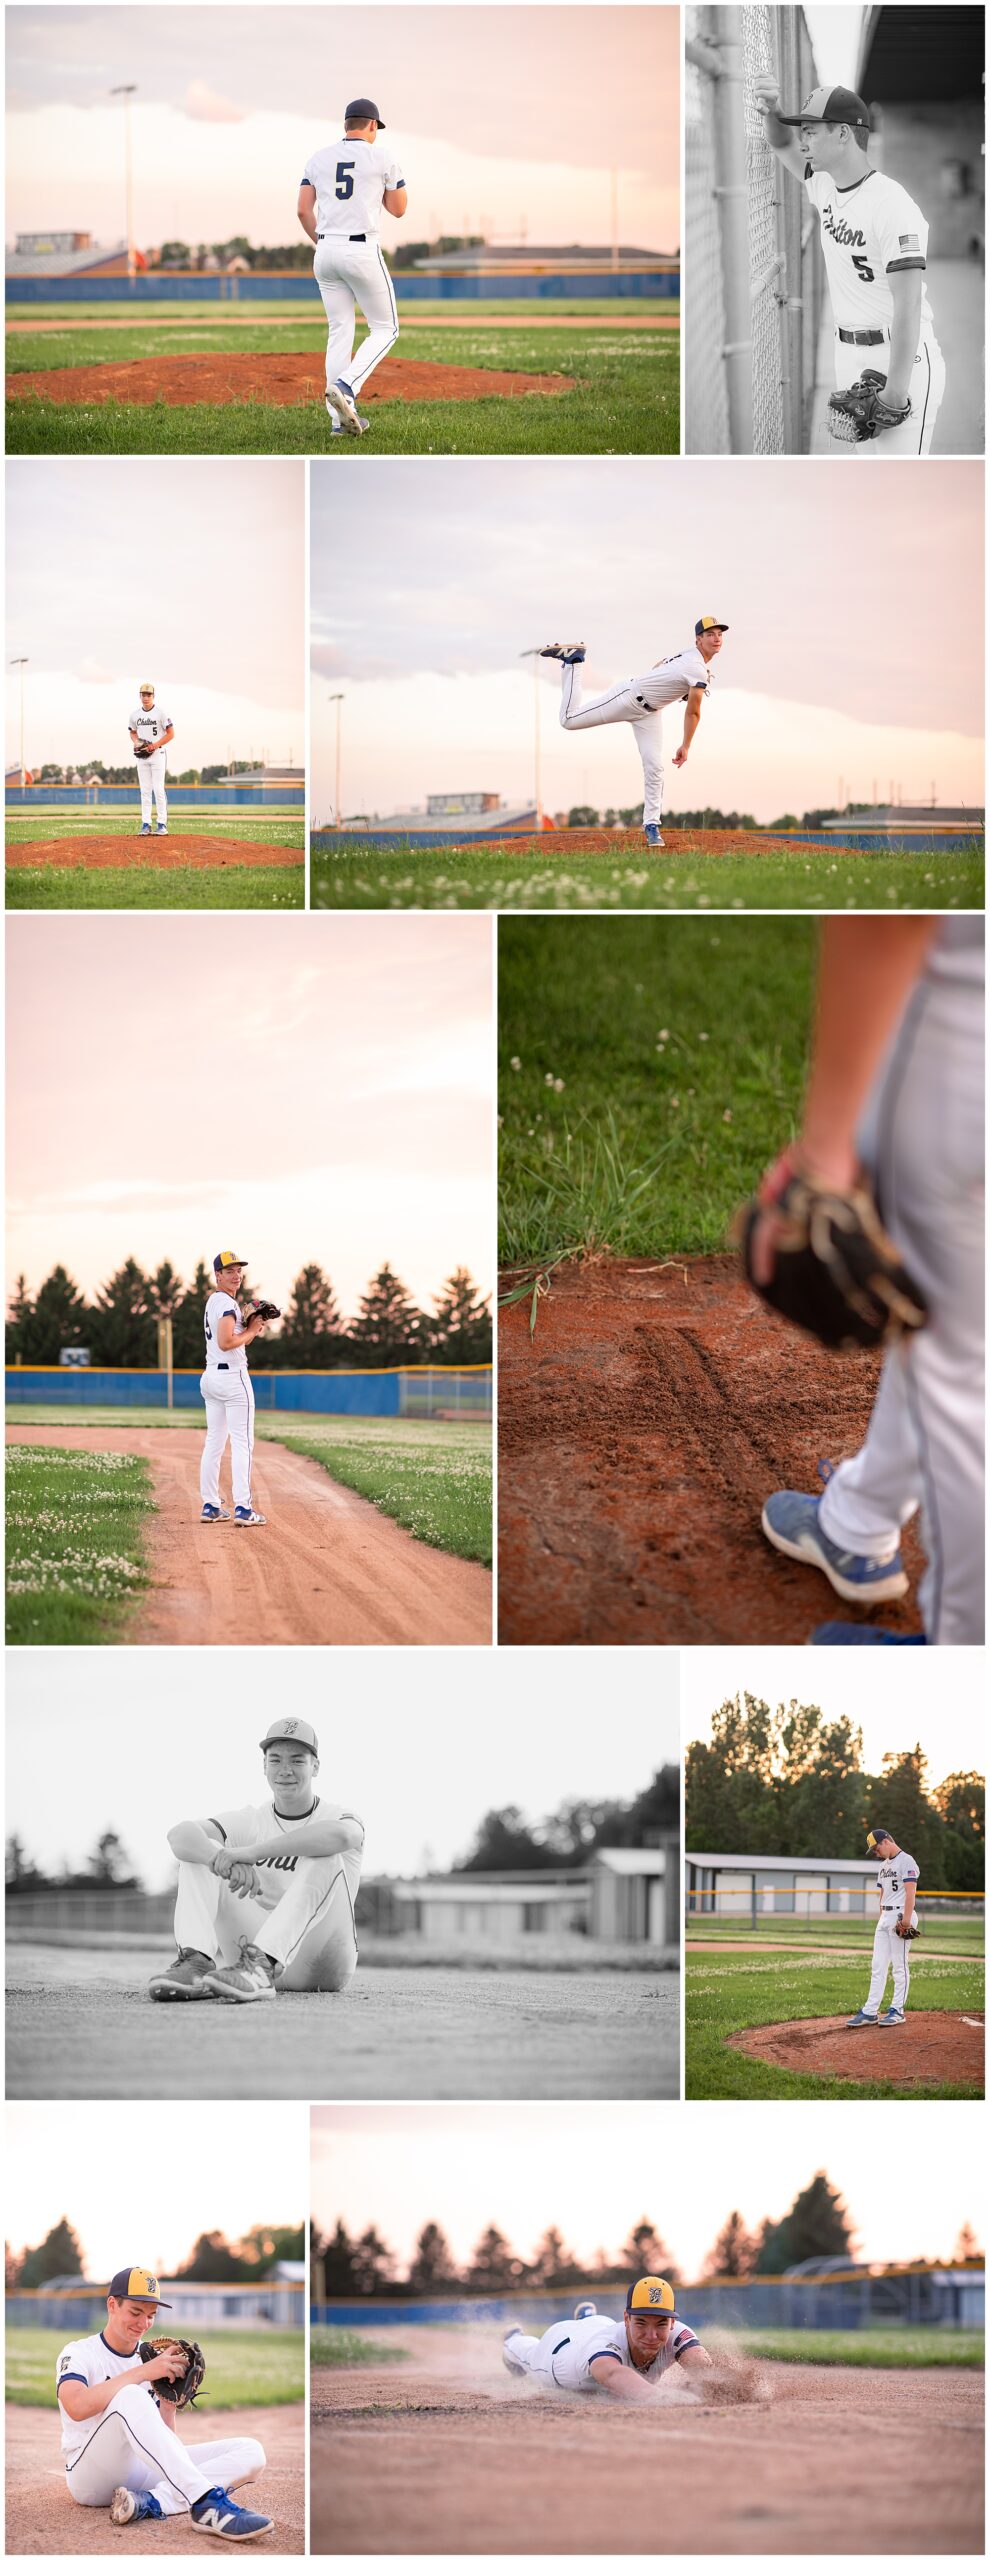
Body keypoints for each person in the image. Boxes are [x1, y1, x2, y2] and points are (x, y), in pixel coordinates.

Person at [755, 917, 984, 1646]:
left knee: (959, 1368)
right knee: (933, 1315)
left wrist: (822, 1158)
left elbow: (886, 916)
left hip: (965, 1051)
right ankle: (861, 1517)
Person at [754, 79, 945, 457]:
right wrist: (774, 111)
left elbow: (907, 304)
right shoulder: (824, 186)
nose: (803, 141)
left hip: (902, 359)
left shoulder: (892, 204)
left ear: (843, 134)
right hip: (849, 355)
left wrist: (895, 391)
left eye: (810, 131)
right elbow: (780, 143)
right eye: (802, 132)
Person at [148, 1717, 364, 2006]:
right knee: (201, 1850)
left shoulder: (338, 1816)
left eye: (297, 1760)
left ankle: (263, 1965)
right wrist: (219, 1858)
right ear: (264, 1766)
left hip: (322, 1961)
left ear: (316, 1767)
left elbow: (341, 1837)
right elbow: (179, 1835)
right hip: (247, 1962)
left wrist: (249, 1854)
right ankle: (196, 1964)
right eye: (275, 1760)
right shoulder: (252, 1819)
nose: (285, 1770)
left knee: (326, 1856)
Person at [56, 2263, 272, 2536]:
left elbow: (164, 2449)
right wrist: (144, 2372)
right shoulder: (80, 2352)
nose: (143, 2323)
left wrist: (168, 2408)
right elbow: (75, 2406)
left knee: (250, 2451)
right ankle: (205, 2504)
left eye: (151, 2315)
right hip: (91, 2475)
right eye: (135, 2312)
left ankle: (152, 2501)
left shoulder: (151, 2361)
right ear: (112, 2305)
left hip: (139, 2472)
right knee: (130, 2395)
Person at [539, 620, 727, 849]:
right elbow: (694, 712)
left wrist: (673, 685)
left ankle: (651, 826)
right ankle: (574, 661)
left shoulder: (690, 657)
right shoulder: (697, 667)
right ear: (698, 639)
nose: (716, 638)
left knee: (654, 766)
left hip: (650, 713)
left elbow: (659, 666)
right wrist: (685, 745)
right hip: (627, 698)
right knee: (568, 720)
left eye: (719, 634)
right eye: (710, 634)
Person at [298, 98, 406, 437]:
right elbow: (398, 209)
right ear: (372, 125)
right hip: (360, 248)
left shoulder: (318, 158)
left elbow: (302, 210)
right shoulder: (382, 156)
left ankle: (339, 421)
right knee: (386, 329)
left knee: (339, 331)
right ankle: (346, 388)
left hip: (325, 248)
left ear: (346, 125)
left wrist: (326, 242)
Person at [503, 2278, 712, 2402]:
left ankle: (587, 2317)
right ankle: (513, 2340)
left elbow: (705, 2368)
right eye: (641, 2323)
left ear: (672, 2323)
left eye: (660, 2324)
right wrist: (662, 2398)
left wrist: (716, 2385)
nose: (651, 2334)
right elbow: (612, 2373)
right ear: (627, 2318)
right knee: (529, 2354)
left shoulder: (676, 2333)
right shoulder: (603, 2345)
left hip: (601, 2325)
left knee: (598, 2324)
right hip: (557, 2352)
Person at [199, 1250, 272, 1529]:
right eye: (229, 1271)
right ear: (218, 1275)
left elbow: (232, 1339)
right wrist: (251, 1331)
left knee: (215, 1442)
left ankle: (211, 1505)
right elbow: (227, 1342)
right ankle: (243, 1508)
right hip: (232, 1380)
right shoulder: (226, 1304)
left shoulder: (215, 1302)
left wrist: (252, 1326)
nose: (236, 1275)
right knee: (243, 1443)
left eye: (238, 1270)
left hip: (212, 1378)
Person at [846, 1825, 919, 2028]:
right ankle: (870, 2011)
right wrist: (882, 1918)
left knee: (899, 1966)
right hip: (885, 1917)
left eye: (877, 1849)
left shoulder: (907, 1860)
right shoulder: (883, 1866)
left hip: (900, 1916)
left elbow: (910, 1893)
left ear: (886, 1841)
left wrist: (905, 1921)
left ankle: (897, 2010)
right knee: (878, 1966)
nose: (876, 1854)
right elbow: (882, 1895)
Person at [128, 682, 173, 837]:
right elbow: (133, 732)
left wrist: (155, 745)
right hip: (142, 756)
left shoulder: (161, 713)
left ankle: (162, 824)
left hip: (158, 754)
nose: (146, 697)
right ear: (140, 696)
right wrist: (136, 742)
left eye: (149, 695)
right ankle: (146, 824)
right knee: (145, 791)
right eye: (143, 694)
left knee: (158, 789)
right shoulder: (135, 715)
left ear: (153, 696)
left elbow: (170, 733)